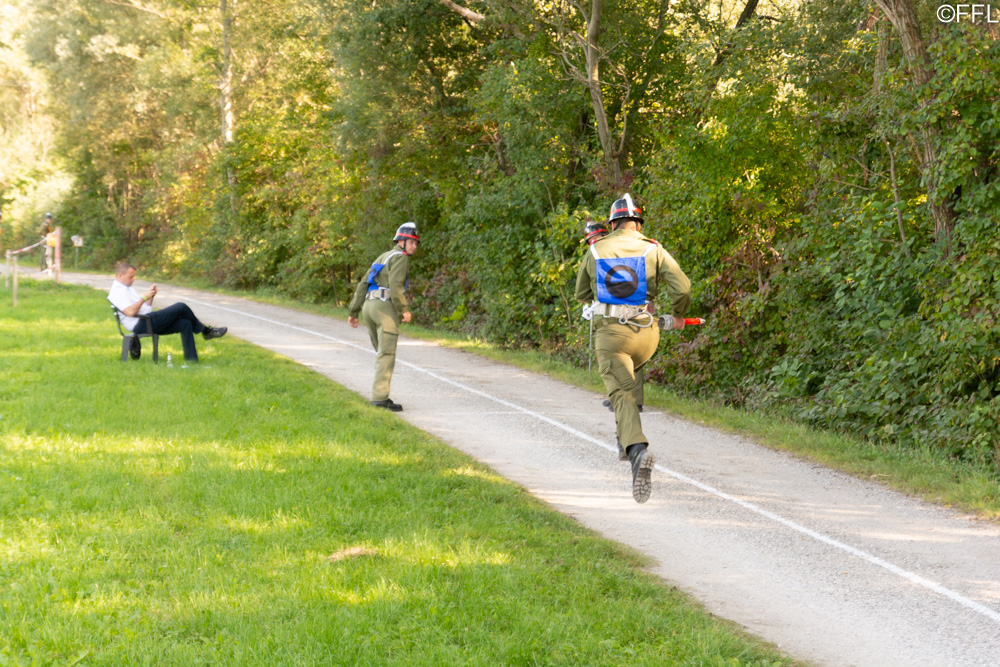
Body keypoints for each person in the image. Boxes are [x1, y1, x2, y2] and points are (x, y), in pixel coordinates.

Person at [575, 193, 691, 503]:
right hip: (647, 334)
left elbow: (581, 293)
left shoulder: (596, 249)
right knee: (631, 373)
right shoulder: (654, 249)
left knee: (621, 393)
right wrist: (679, 315)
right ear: (638, 223)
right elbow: (682, 288)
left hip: (613, 335)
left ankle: (637, 451)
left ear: (612, 223)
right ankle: (624, 434)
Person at [348, 222, 420, 411]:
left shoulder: (383, 256)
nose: (414, 246)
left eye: (416, 243)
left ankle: (381, 394)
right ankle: (380, 398)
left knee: (381, 352)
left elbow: (363, 283)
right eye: (411, 242)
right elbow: (395, 285)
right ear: (401, 242)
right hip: (383, 308)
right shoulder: (401, 258)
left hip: (369, 307)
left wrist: (354, 310)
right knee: (386, 354)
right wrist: (403, 309)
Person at [583, 220, 647, 416]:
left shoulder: (616, 252)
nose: (592, 243)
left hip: (628, 309)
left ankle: (634, 401)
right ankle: (619, 396)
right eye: (590, 241)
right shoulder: (599, 253)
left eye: (595, 238)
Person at [107, 262, 227, 362]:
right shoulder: (117, 291)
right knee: (180, 307)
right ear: (120, 276)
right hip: (141, 324)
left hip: (146, 319)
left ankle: (192, 361)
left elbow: (145, 308)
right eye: (130, 277)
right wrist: (144, 297)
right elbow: (130, 312)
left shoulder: (127, 288)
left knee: (185, 323)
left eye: (134, 277)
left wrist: (150, 296)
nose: (133, 279)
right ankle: (206, 331)